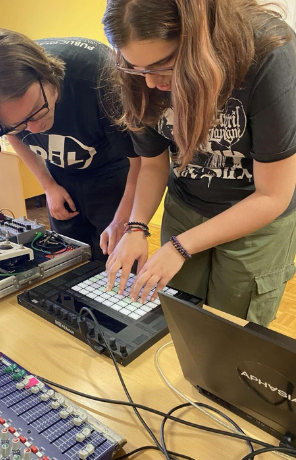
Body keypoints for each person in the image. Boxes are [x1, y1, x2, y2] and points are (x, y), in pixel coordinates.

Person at [103, 0, 296, 327]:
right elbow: (152, 165)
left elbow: (272, 195)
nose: (151, 83)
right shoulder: (140, 74)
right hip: (187, 204)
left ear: (199, 37)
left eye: (163, 65)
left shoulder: (268, 53)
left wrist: (179, 248)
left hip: (255, 215)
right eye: (137, 68)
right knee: (181, 319)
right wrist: (136, 227)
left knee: (230, 328)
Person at [0, 27, 140, 261]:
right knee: (67, 257)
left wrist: (123, 219)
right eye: (18, 124)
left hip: (113, 171)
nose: (34, 130)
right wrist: (49, 186)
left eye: (36, 111)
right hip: (60, 173)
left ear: (48, 77)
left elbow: (141, 162)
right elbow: (12, 136)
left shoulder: (100, 76)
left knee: (117, 258)